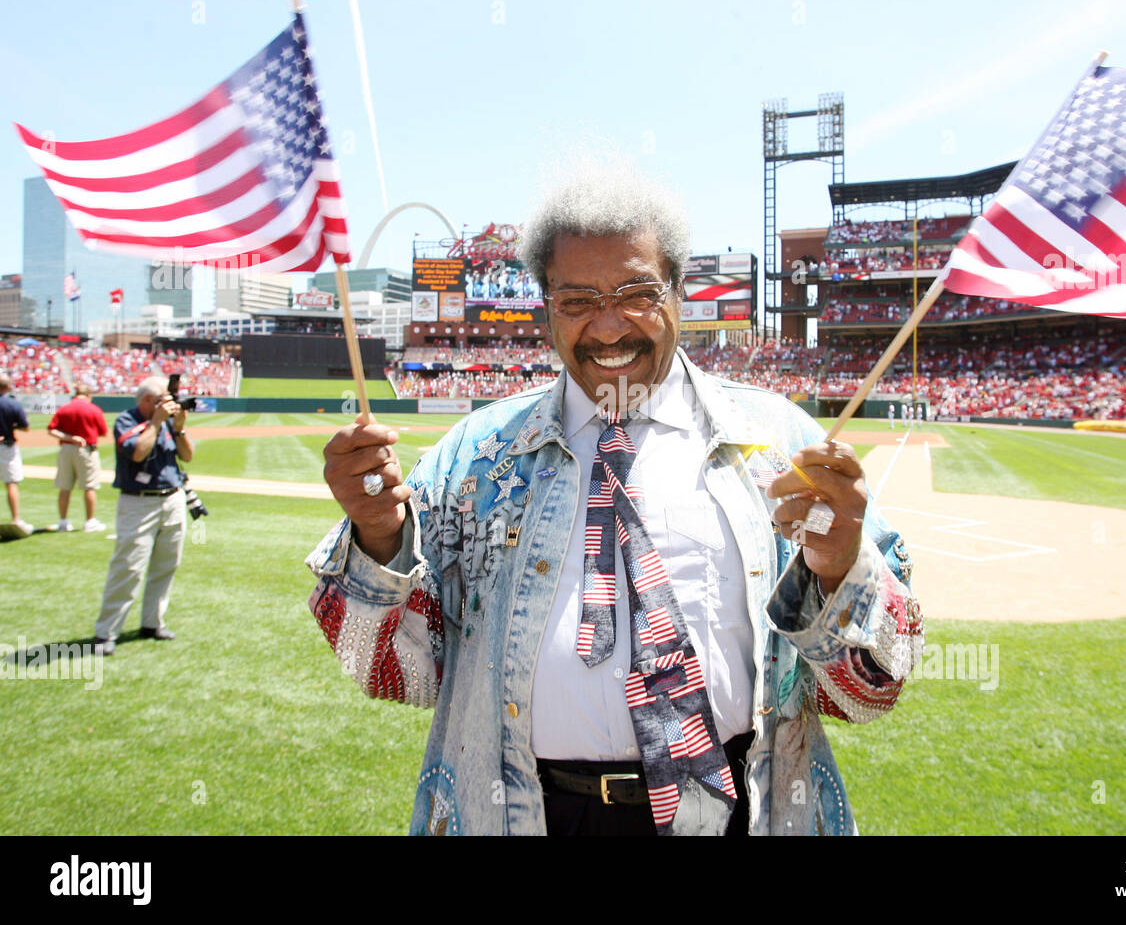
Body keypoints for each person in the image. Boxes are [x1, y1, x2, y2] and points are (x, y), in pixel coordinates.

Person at [308, 165, 922, 836]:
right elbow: (393, 672)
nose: (607, 326)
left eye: (636, 292)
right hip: (528, 813)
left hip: (741, 807)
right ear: (546, 306)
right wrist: (377, 537)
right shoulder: (474, 460)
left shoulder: (780, 448)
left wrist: (839, 569)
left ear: (679, 293)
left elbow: (871, 691)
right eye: (576, 300)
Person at [92, 377, 193, 655]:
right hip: (138, 502)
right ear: (148, 401)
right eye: (164, 399)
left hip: (171, 498)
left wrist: (180, 429)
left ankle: (153, 622)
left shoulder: (169, 422)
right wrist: (156, 423)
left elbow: (188, 455)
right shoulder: (128, 421)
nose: (169, 404)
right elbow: (137, 453)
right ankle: (106, 632)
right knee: (128, 568)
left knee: (167, 565)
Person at [47, 383, 109, 532]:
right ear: (89, 395)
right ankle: (90, 522)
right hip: (86, 450)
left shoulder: (64, 408)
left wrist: (70, 437)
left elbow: (52, 430)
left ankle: (63, 522)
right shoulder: (93, 409)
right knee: (89, 487)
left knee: (65, 487)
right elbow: (103, 432)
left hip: (66, 449)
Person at [0, 372, 32, 536]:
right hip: (6, 447)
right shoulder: (12, 404)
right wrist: (12, 426)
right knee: (11, 482)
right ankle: (15, 519)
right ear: (7, 386)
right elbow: (25, 427)